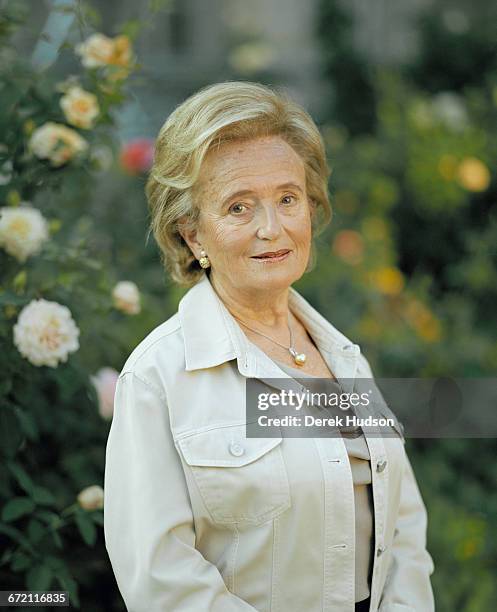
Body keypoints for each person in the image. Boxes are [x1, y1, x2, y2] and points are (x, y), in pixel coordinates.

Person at [104, 81, 435, 612]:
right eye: (239, 207)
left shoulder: (343, 356)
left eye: (287, 198)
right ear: (192, 235)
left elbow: (404, 530)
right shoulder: (158, 377)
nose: (272, 228)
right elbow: (161, 577)